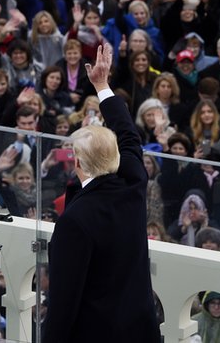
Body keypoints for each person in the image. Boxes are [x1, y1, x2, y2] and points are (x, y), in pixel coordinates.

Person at [43, 46, 160, 343]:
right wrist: (102, 86)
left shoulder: (76, 221)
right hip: (141, 330)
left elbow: (63, 301)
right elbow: (129, 136)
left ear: (78, 163)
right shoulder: (134, 184)